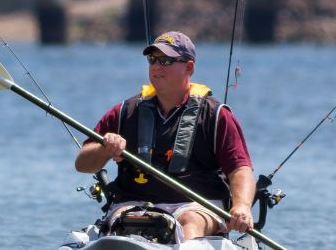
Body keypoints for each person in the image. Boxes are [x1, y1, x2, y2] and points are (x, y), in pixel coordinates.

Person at [75, 31, 255, 241]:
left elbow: (240, 169)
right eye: (152, 59)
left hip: (198, 206)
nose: (156, 66)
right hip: (134, 204)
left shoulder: (217, 116)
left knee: (189, 220)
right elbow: (83, 164)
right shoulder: (124, 112)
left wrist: (242, 206)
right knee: (123, 222)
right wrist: (104, 149)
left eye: (166, 61)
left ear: (189, 67)